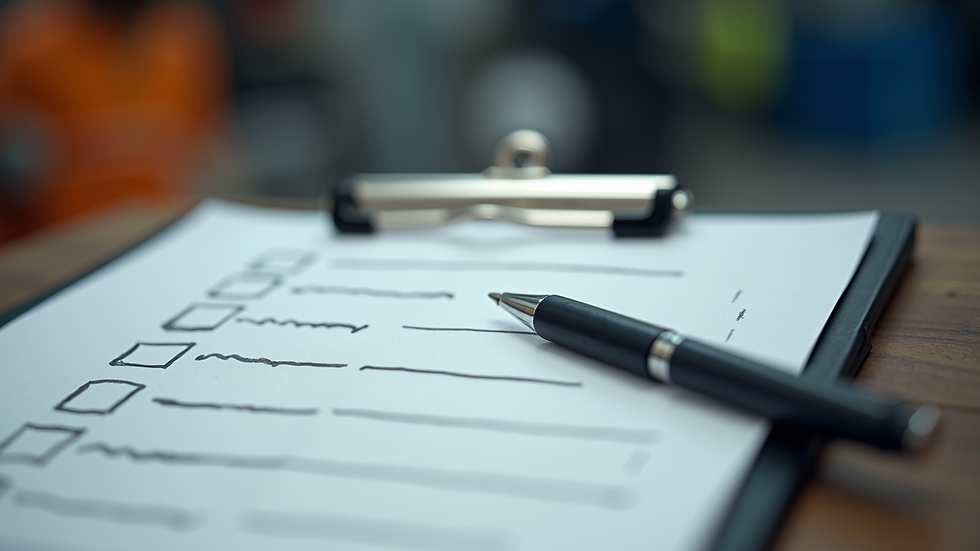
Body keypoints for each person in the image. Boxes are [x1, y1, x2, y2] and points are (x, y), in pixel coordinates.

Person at [0, 0, 229, 242]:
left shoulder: (185, 35)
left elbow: (201, 138)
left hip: (156, 229)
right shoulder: (31, 39)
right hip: (60, 240)